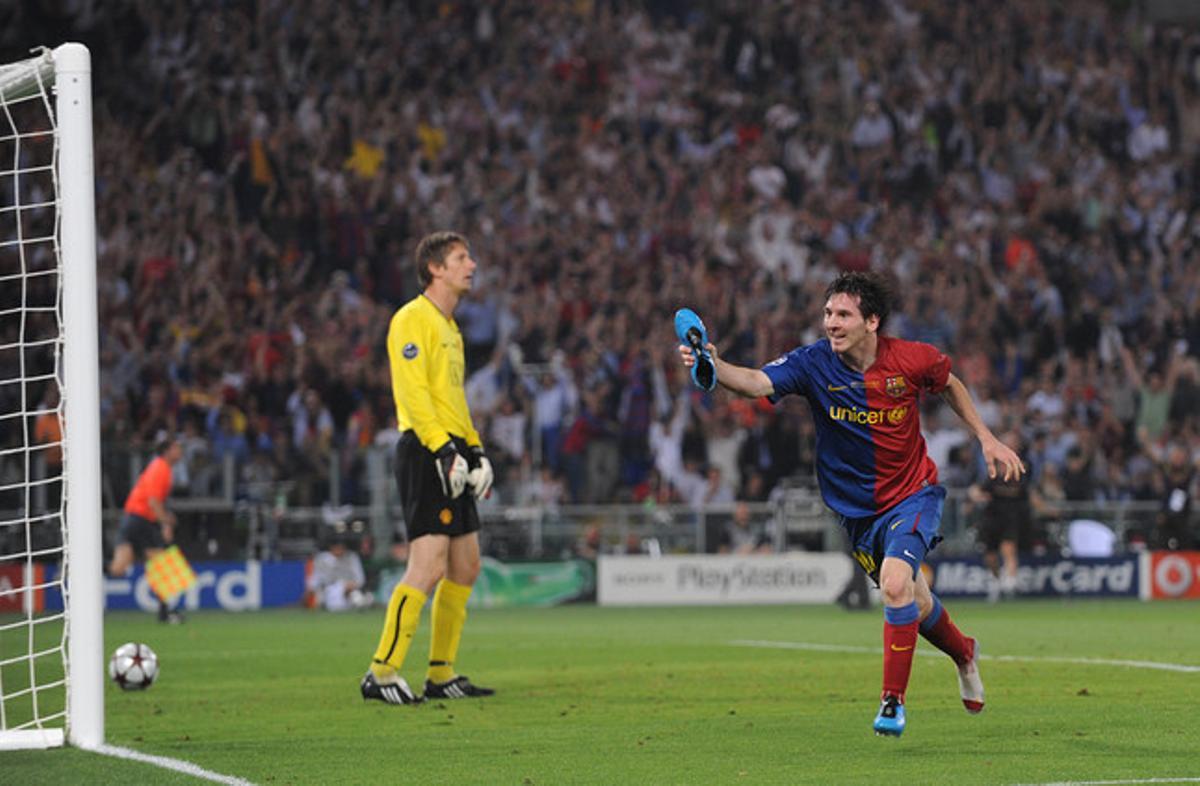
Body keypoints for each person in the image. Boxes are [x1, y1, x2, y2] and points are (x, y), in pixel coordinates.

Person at [678, 271, 1025, 737]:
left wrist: (986, 438)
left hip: (912, 494)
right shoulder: (813, 363)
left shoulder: (912, 359)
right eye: (827, 314)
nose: (831, 323)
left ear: (872, 321)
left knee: (897, 584)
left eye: (843, 314)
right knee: (915, 601)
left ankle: (891, 703)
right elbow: (756, 383)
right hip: (857, 513)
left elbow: (950, 383)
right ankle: (964, 652)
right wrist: (715, 365)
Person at [360, 231, 496, 706]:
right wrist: (443, 451)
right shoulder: (411, 319)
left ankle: (440, 674)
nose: (472, 265)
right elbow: (414, 395)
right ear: (436, 268)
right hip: (425, 449)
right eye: (462, 258)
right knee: (429, 565)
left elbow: (453, 399)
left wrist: (475, 450)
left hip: (452, 447)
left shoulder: (451, 328)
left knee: (466, 565)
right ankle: (381, 671)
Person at [109, 436, 185, 623]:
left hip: (135, 519)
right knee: (158, 565)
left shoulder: (161, 467)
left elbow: (155, 500)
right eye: (177, 448)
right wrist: (165, 522)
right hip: (140, 519)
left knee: (121, 568)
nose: (180, 451)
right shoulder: (160, 468)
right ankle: (165, 612)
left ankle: (165, 612)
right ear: (167, 451)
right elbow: (152, 501)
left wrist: (164, 517)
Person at [968, 429, 1040, 602]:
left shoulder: (1023, 465)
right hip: (992, 515)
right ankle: (996, 581)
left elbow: (1026, 489)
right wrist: (976, 495)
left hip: (1012, 514)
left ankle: (1011, 584)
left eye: (1014, 441)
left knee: (1009, 548)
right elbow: (977, 488)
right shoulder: (992, 464)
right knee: (990, 555)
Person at [307, 526, 372, 612]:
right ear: (331, 547)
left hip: (350, 591)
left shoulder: (351, 557)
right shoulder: (322, 559)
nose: (339, 550)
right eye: (336, 548)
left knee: (361, 597)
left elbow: (360, 579)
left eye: (341, 548)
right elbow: (314, 580)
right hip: (328, 591)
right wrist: (311, 591)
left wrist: (350, 586)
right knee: (330, 596)